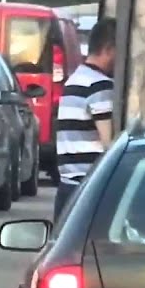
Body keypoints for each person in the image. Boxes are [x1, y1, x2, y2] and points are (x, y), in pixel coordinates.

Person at [53, 16, 116, 220]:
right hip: (90, 190)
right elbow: (110, 144)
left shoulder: (75, 80)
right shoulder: (100, 85)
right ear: (108, 49)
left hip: (67, 187)